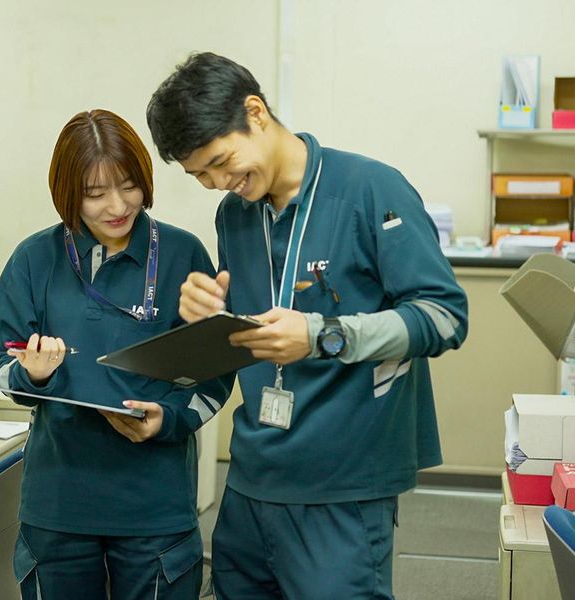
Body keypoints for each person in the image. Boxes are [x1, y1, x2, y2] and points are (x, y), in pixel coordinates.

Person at [146, 52, 468, 600]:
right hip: (253, 479)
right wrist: (205, 314)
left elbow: (443, 316)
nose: (220, 182)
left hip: (341, 481)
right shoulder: (235, 213)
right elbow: (254, 332)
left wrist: (321, 335)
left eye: (222, 161)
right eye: (200, 175)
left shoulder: (371, 190)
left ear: (256, 112)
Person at [0, 109, 231, 600]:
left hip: (154, 506)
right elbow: (3, 365)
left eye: (128, 186)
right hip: (58, 505)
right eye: (95, 194)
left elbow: (214, 374)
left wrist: (168, 420)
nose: (117, 206)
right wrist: (33, 376)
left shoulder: (183, 255)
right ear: (67, 194)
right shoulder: (35, 260)